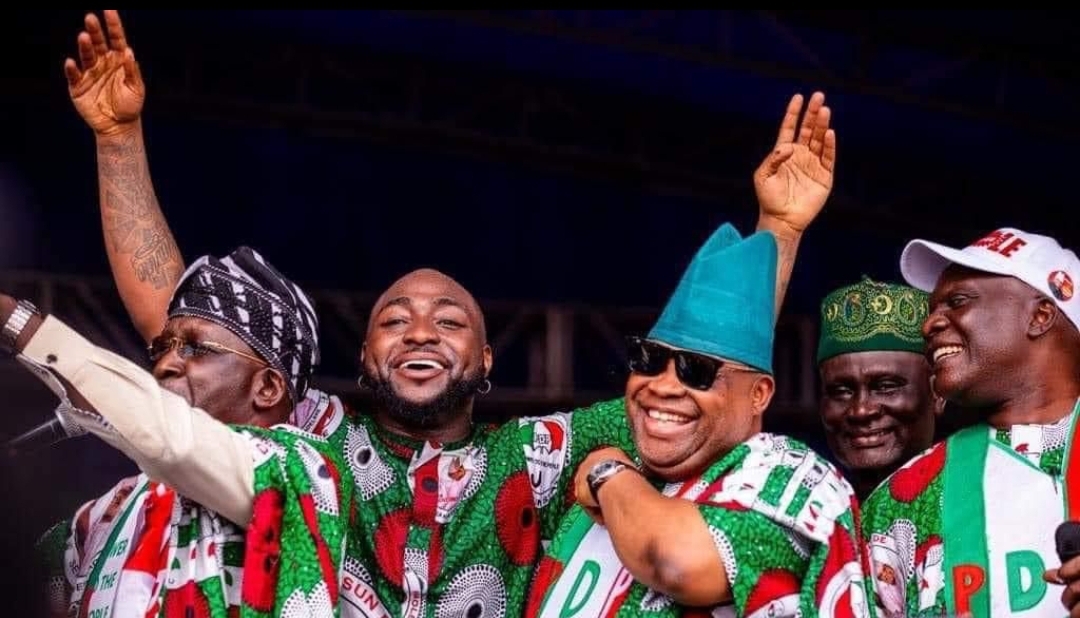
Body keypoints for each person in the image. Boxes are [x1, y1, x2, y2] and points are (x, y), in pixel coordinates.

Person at [57, 11, 839, 615]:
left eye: (451, 321)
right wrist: (118, 139)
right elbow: (189, 330)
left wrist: (778, 230)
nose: (422, 330)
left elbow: (708, 373)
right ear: (365, 359)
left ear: (488, 361)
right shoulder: (316, 440)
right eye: (394, 319)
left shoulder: (543, 454)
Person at [525, 224, 868, 617]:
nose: (663, 385)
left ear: (758, 394)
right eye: (650, 359)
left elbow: (675, 562)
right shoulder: (631, 446)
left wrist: (606, 472)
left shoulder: (793, 474)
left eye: (697, 370)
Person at [19, 246, 352, 618]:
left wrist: (21, 327)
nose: (165, 364)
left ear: (267, 387)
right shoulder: (110, 511)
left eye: (195, 348)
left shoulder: (301, 469)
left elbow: (172, 442)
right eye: (164, 348)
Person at [862, 227, 1080, 618]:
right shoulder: (902, 499)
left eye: (958, 301)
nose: (929, 325)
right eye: (932, 310)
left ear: (1040, 315)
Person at [816, 277, 942, 499]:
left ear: (937, 393)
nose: (861, 411)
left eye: (886, 387)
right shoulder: (808, 508)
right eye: (841, 392)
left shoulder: (975, 500)